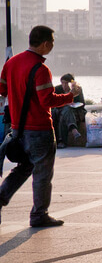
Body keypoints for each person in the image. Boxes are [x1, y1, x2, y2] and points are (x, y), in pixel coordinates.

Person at [0, 25, 79, 227]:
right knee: (42, 174)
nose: (52, 46)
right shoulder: (41, 69)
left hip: (17, 129)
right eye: (52, 42)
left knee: (22, 168)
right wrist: (71, 95)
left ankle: (1, 197)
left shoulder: (11, 63)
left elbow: (2, 89)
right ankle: (39, 214)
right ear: (45, 43)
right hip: (39, 130)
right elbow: (47, 100)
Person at [52, 73, 85, 148]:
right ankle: (73, 129)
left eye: (66, 83)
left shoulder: (77, 89)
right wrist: (64, 103)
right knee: (62, 111)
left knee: (65, 111)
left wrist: (73, 102)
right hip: (59, 110)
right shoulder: (57, 89)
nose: (64, 85)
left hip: (75, 112)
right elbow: (52, 102)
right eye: (63, 83)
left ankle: (61, 141)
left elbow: (82, 103)